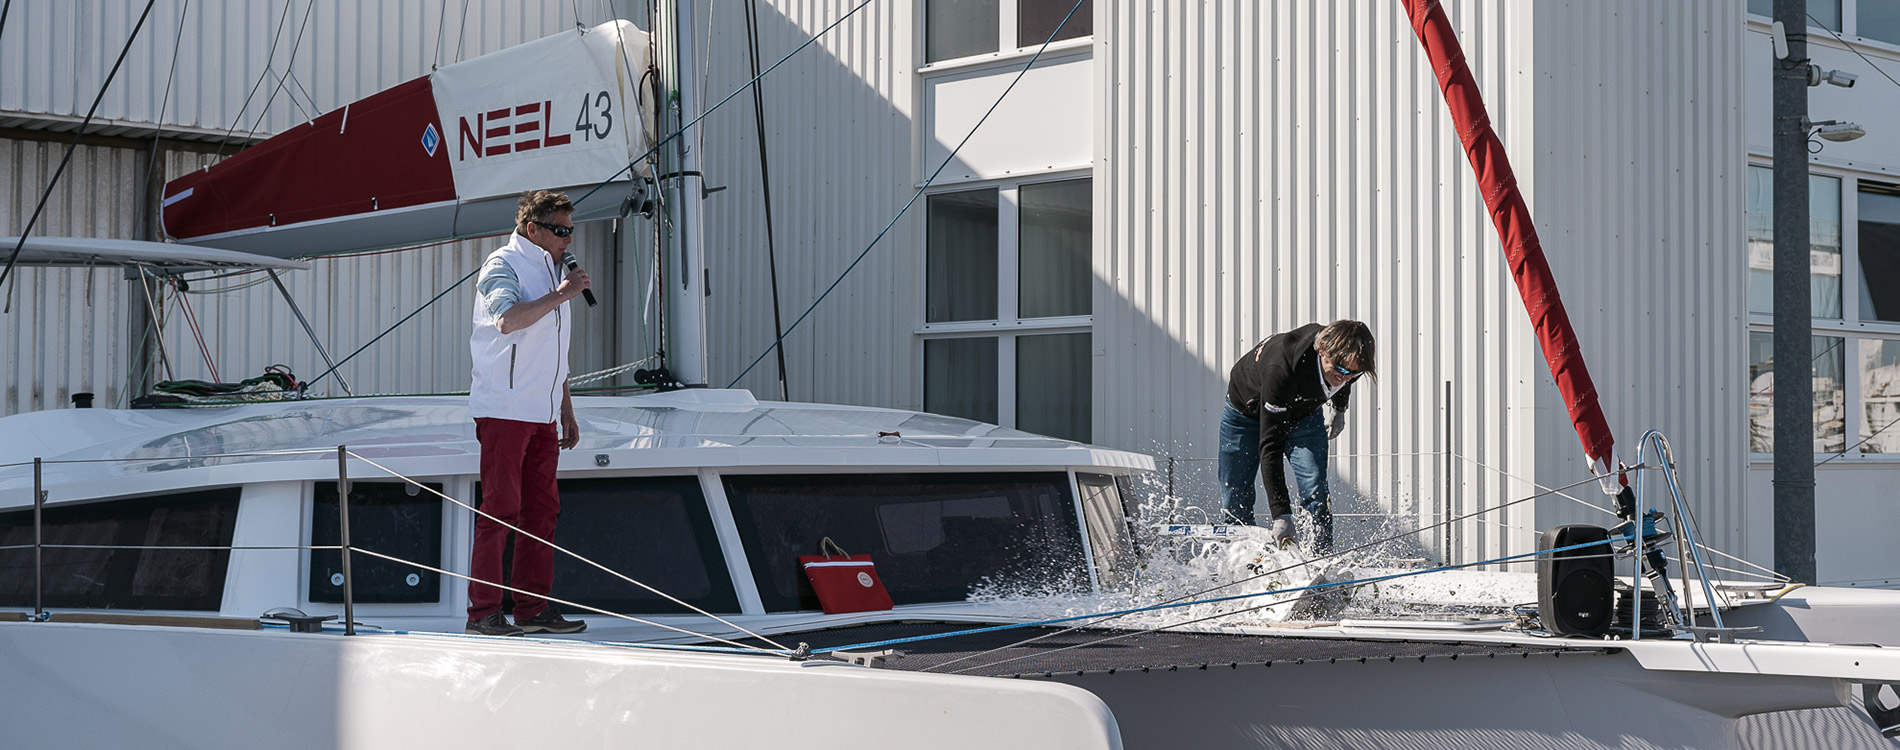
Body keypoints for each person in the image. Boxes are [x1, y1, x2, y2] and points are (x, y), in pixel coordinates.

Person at [464, 190, 591, 636]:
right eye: (560, 231)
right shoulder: (501, 264)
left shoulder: (556, 269)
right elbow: (507, 320)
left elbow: (554, 350)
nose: (567, 239)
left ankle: (532, 610)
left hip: (542, 411)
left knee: (542, 509)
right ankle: (483, 614)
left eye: (571, 231)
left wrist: (566, 407)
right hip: (504, 407)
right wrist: (561, 295)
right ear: (532, 229)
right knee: (500, 508)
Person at [1219, 320, 1375, 553]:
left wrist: (1339, 409)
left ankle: (1321, 556)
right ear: (1322, 350)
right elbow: (1270, 447)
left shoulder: (1350, 360)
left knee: (1316, 489)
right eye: (1340, 370)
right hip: (1246, 412)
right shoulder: (1281, 370)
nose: (1347, 378)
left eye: (1355, 373)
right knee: (1236, 492)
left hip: (1303, 413)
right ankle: (1241, 556)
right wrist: (1281, 514)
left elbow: (1347, 374)